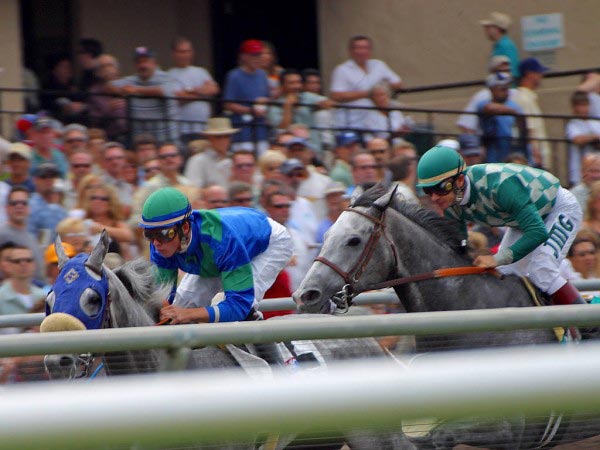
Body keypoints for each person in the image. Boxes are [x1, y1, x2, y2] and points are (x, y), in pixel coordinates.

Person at [416, 144, 585, 306]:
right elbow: (459, 246)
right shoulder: (452, 206)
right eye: (427, 191)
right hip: (522, 220)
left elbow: (537, 232)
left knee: (542, 268)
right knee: (505, 272)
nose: (434, 198)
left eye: (440, 188)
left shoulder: (501, 185)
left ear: (459, 181)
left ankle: (588, 324)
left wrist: (495, 258)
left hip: (559, 207)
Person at [139, 187, 292, 324]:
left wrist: (189, 314)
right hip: (219, 252)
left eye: (164, 234)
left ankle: (277, 356)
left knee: (241, 310)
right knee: (179, 306)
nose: (157, 243)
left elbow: (239, 305)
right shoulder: (159, 243)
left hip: (270, 243)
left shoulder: (222, 240)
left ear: (184, 228)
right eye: (149, 234)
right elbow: (163, 297)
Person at [109, 46, 180, 145]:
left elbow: (163, 91)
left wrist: (136, 90)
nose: (142, 65)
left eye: (146, 61)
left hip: (166, 141)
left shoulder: (167, 78)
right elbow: (109, 85)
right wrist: (121, 94)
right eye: (139, 62)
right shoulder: (132, 80)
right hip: (141, 142)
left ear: (154, 63)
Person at [330, 35, 403, 130]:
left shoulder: (379, 65)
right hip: (351, 122)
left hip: (376, 121)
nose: (362, 51)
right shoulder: (341, 70)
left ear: (370, 50)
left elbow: (397, 83)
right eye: (358, 48)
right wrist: (368, 94)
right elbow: (336, 95)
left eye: (365, 48)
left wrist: (382, 89)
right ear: (350, 51)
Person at [168, 37, 220, 150]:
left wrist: (190, 90)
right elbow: (179, 97)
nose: (185, 55)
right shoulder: (169, 75)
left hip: (204, 128)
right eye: (181, 51)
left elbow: (214, 89)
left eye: (188, 51)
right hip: (183, 130)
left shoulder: (201, 71)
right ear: (174, 54)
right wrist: (202, 92)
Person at [268, 68, 334, 154]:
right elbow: (282, 130)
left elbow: (329, 103)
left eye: (298, 82)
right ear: (282, 85)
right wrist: (288, 107)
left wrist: (319, 106)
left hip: (313, 147)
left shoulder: (306, 96)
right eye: (292, 83)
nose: (296, 86)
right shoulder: (275, 106)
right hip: (290, 150)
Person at [223, 39, 270, 154]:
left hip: (261, 130)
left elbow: (267, 97)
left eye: (259, 54)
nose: (257, 58)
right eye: (254, 55)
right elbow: (228, 104)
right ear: (244, 56)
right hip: (242, 131)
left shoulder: (263, 75)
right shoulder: (234, 76)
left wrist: (265, 102)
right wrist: (251, 110)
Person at [477, 72, 526, 163]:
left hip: (512, 152)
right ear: (492, 89)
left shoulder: (514, 105)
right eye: (502, 88)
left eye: (507, 87)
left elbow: (523, 125)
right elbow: (489, 108)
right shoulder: (484, 104)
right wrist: (512, 112)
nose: (506, 91)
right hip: (493, 155)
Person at [513, 57, 551, 169]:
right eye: (539, 73)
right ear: (530, 74)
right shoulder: (523, 98)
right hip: (536, 160)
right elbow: (530, 129)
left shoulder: (528, 97)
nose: (541, 76)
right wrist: (537, 157)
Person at [184, 117, 238, 188]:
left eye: (226, 136)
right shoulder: (197, 161)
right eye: (218, 137)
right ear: (209, 138)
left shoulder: (234, 159)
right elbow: (193, 189)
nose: (223, 140)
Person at [565, 91, 600, 186]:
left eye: (586, 105)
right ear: (574, 107)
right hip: (578, 173)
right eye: (580, 105)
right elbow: (577, 139)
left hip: (596, 172)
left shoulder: (595, 122)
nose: (583, 109)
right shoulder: (572, 124)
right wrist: (594, 137)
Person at [479, 12, 520, 78]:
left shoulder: (506, 46)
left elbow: (512, 72)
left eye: (488, 27)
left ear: (497, 28)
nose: (486, 30)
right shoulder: (498, 45)